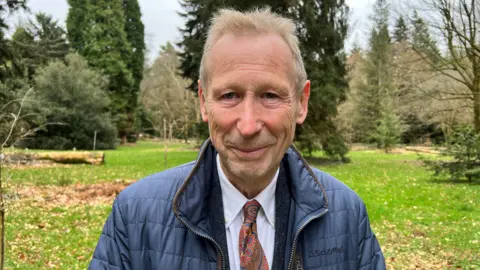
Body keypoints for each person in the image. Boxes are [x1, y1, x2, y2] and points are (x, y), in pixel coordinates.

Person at [89, 7, 385, 270]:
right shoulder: (135, 217)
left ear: (302, 103)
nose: (248, 125)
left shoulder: (347, 216)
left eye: (270, 96)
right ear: (204, 102)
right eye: (229, 95)